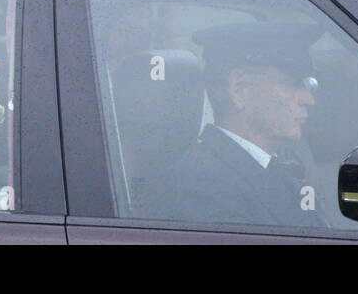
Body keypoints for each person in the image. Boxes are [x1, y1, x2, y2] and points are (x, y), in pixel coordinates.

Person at [138, 22, 324, 228]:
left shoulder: (277, 168)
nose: (308, 99)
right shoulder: (196, 187)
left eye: (307, 85)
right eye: (292, 83)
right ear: (239, 88)